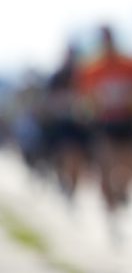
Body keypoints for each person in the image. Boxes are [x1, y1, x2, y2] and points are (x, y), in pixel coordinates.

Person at [78, 26, 132, 242]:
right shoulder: (92, 67)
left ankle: (123, 192)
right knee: (106, 165)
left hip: (126, 120)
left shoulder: (129, 64)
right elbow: (86, 97)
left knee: (128, 162)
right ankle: (110, 210)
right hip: (104, 122)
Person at [44, 44, 91, 205]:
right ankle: (64, 182)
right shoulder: (57, 77)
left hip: (79, 125)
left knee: (77, 158)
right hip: (61, 125)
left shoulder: (83, 76)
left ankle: (72, 189)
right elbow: (49, 102)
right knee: (64, 155)